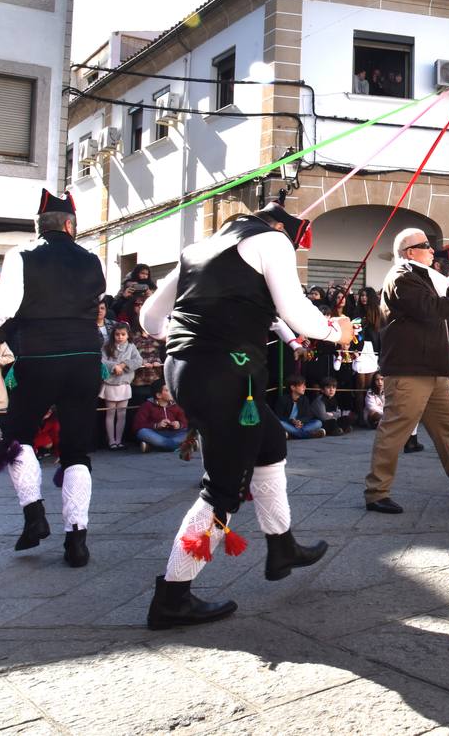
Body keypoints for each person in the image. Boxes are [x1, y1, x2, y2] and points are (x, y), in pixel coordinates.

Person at [139, 201, 353, 630]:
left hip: (185, 368)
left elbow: (149, 319)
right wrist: (337, 330)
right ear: (278, 229)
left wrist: (193, 339)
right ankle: (172, 596)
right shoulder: (272, 240)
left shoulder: (197, 250)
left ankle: (282, 545)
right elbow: (294, 311)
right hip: (226, 373)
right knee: (221, 490)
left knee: (270, 443)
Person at [0, 190, 106, 568]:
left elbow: (2, 307)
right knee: (77, 450)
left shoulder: (22, 254)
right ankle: (77, 541)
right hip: (85, 357)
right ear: (70, 224)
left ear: (40, 226)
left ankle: (34, 516)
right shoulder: (92, 258)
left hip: (39, 356)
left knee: (18, 437)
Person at [363, 228, 449, 514]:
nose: (434, 251)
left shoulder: (422, 276)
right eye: (427, 246)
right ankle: (376, 492)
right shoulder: (402, 277)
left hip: (432, 369)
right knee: (395, 430)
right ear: (409, 252)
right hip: (409, 369)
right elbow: (433, 307)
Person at [99, 322, 141, 449]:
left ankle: (119, 440)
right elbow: (102, 360)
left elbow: (138, 360)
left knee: (122, 413)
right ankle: (111, 441)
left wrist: (124, 365)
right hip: (111, 383)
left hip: (124, 383)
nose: (120, 337)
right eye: (117, 334)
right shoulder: (107, 345)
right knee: (111, 413)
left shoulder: (131, 347)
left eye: (123, 334)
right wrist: (114, 366)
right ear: (113, 335)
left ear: (128, 335)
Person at [132, 382, 190, 451]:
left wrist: (179, 424)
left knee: (193, 431)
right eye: (168, 390)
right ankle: (182, 445)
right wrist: (156, 425)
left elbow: (186, 422)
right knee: (142, 432)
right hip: (155, 433)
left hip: (174, 433)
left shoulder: (176, 405)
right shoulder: (147, 406)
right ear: (159, 395)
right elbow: (137, 425)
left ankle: (152, 446)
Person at [273, 374, 324, 439]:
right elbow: (278, 417)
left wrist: (300, 421)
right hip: (288, 424)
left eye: (304, 385)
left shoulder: (305, 399)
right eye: (302, 386)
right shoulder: (283, 399)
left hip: (300, 425)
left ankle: (292, 434)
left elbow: (308, 416)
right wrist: (291, 421)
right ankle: (310, 435)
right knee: (280, 423)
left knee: (318, 423)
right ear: (293, 387)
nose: (304, 387)